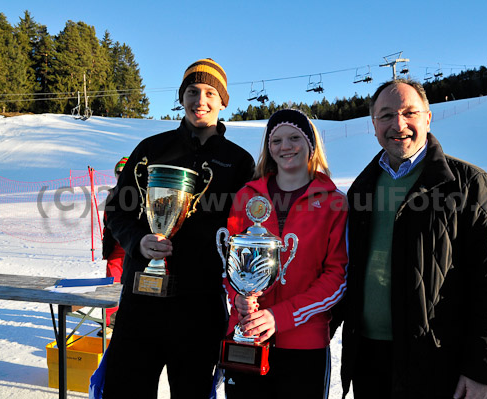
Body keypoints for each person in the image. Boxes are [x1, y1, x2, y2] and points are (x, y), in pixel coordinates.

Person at [331, 79, 487, 399]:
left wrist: (482, 369)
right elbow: (348, 272)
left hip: (436, 361)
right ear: (373, 126)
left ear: (428, 118)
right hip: (369, 360)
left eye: (408, 112)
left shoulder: (467, 183)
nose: (398, 124)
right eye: (385, 115)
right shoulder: (362, 187)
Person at [102, 58, 255, 398]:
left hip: (199, 305)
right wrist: (138, 241)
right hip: (142, 299)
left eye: (210, 92)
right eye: (192, 91)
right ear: (181, 97)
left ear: (223, 100)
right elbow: (116, 210)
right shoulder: (150, 150)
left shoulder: (239, 161)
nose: (200, 100)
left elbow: (249, 230)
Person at [223, 109, 348, 399]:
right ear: (268, 148)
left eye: (294, 138)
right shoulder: (246, 196)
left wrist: (280, 317)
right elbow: (229, 265)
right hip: (246, 336)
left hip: (304, 344)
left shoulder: (333, 202)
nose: (285, 147)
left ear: (311, 146)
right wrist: (238, 298)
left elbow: (337, 277)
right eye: (276, 140)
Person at [99, 156, 128, 337]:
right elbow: (107, 221)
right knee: (112, 285)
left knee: (137, 286)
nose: (121, 176)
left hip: (137, 249)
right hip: (117, 249)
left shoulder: (143, 193)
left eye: (124, 173)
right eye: (119, 173)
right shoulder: (112, 194)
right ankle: (110, 323)